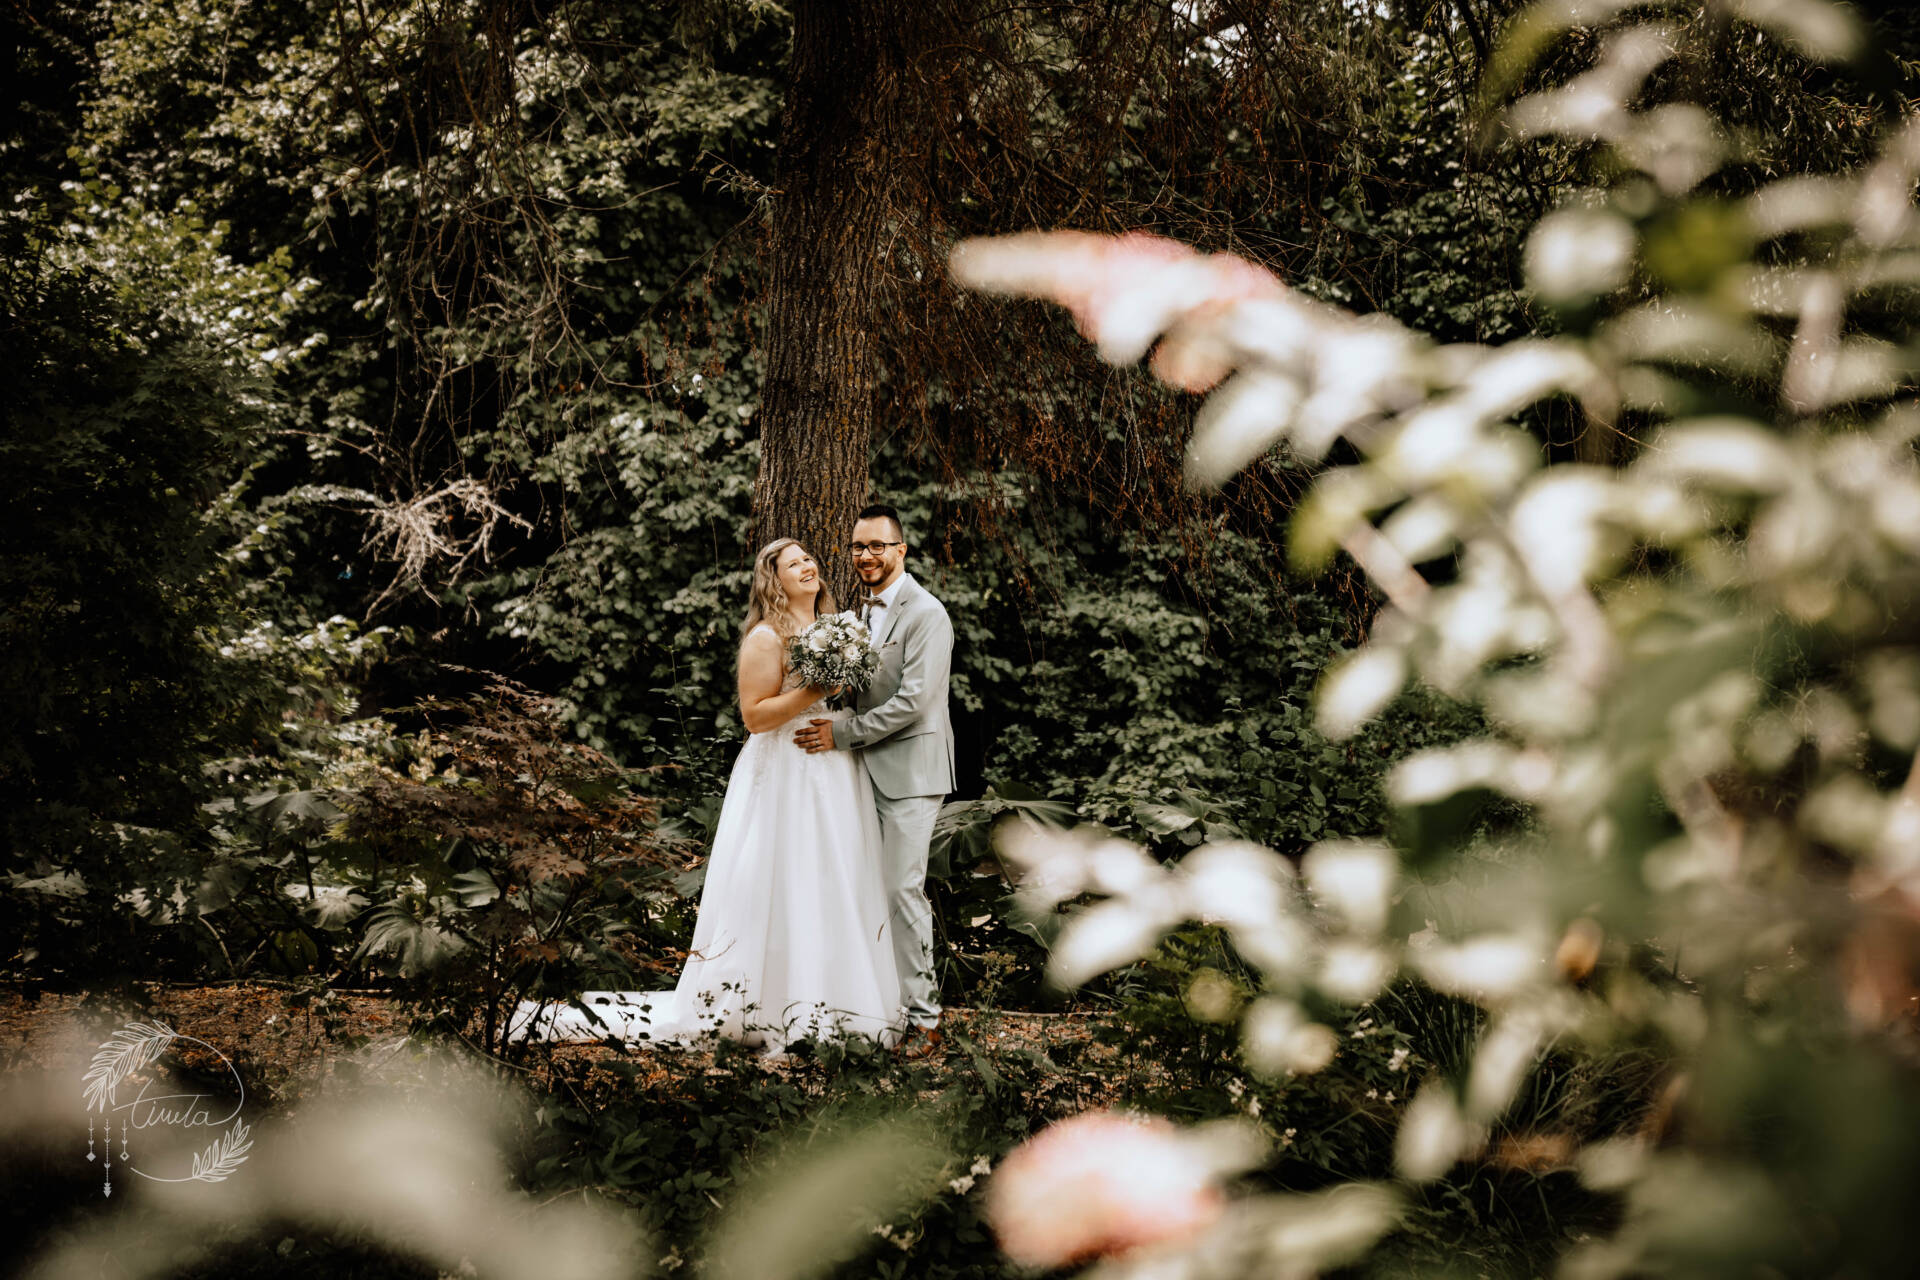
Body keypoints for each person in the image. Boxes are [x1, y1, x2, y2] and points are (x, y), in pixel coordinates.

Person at [510, 538, 903, 1052]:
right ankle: (768, 1008)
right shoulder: (766, 637)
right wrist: (815, 690)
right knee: (784, 879)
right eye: (793, 564)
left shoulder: (834, 628)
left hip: (833, 768)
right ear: (774, 580)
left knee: (833, 878)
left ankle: (840, 1002)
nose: (807, 566)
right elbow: (755, 716)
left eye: (808, 559)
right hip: (786, 772)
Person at [794, 502, 955, 1057]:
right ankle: (875, 1005)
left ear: (900, 550)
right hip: (864, 770)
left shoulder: (927, 614)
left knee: (902, 890)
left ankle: (926, 1020)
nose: (866, 555)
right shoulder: (859, 615)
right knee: (861, 886)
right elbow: (865, 687)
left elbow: (914, 702)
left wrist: (842, 734)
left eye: (877, 546)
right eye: (859, 546)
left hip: (911, 773)